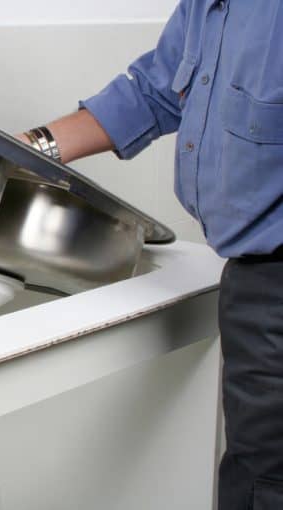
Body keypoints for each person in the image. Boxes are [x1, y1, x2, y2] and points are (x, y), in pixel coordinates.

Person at [17, 1, 283, 508]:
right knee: (258, 471)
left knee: (269, 482)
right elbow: (154, 91)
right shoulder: (209, 7)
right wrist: (25, 149)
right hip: (253, 284)